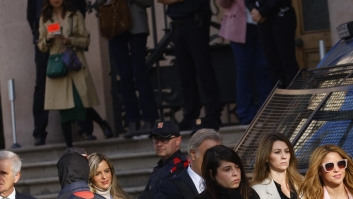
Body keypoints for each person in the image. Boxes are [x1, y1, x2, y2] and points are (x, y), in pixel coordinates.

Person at [28, 0, 113, 145]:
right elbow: (32, 19)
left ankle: (95, 126)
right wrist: (47, 39)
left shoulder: (74, 15)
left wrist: (69, 40)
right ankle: (58, 141)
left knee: (80, 100)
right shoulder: (44, 17)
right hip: (54, 60)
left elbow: (84, 39)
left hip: (73, 60)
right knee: (60, 103)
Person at [160, 0, 222, 132]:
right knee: (185, 73)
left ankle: (213, 114)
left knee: (204, 69)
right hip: (177, 25)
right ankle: (191, 114)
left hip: (196, 22)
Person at [107, 0, 160, 138]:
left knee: (140, 71)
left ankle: (149, 119)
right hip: (115, 24)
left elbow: (147, 2)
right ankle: (132, 121)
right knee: (124, 75)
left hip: (137, 25)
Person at [217, 0, 272, 124]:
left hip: (265, 21)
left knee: (264, 69)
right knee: (244, 71)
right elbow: (223, 3)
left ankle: (268, 114)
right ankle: (246, 116)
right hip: (237, 25)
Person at [246, 0, 299, 88]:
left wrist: (262, 12)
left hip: (282, 14)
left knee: (287, 62)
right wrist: (253, 9)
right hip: (263, 21)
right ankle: (280, 98)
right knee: (273, 66)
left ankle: (295, 98)